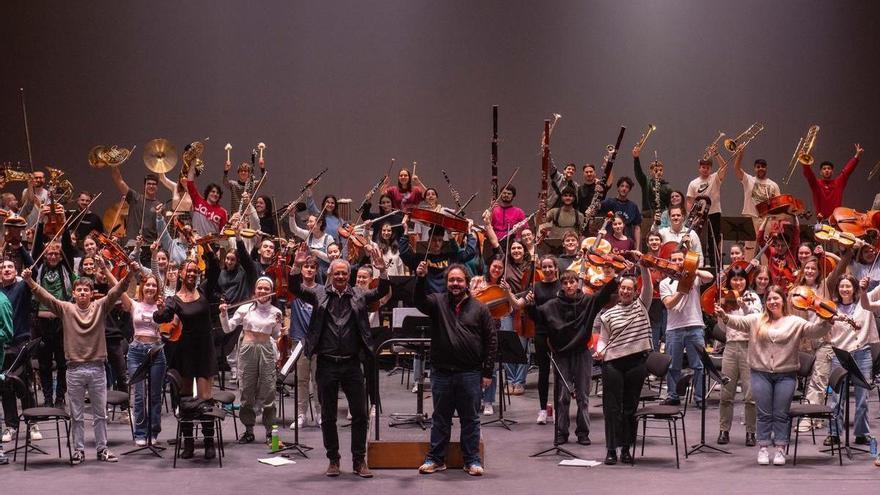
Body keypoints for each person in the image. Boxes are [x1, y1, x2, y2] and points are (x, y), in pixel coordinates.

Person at [22, 260, 137, 464]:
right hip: (74, 369)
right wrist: (30, 281)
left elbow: (117, 291)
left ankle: (102, 450)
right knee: (76, 415)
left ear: (92, 293)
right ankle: (78, 451)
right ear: (73, 293)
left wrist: (128, 275)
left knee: (100, 414)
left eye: (86, 290)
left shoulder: (101, 306)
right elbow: (46, 298)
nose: (83, 293)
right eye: (79, 290)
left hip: (97, 367)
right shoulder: (66, 309)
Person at [290, 246, 390, 479]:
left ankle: (358, 460)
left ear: (350, 275)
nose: (341, 277)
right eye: (337, 273)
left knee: (360, 414)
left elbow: (382, 291)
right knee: (328, 415)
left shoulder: (360, 295)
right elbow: (295, 287)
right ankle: (333, 460)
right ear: (330, 275)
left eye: (345, 273)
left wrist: (382, 269)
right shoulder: (319, 294)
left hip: (352, 363)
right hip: (326, 363)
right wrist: (296, 265)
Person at [715, 286, 835, 466]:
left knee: (781, 413)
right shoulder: (757, 319)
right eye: (769, 299)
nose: (772, 302)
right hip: (760, 373)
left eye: (776, 298)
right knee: (763, 413)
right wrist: (724, 315)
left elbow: (815, 331)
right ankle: (763, 447)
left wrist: (826, 319)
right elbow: (737, 322)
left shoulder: (794, 321)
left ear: (783, 300)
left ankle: (780, 448)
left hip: (786, 375)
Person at [415, 262, 496, 477]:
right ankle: (435, 459)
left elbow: (491, 340)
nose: (455, 284)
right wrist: (421, 279)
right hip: (442, 373)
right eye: (451, 280)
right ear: (446, 282)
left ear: (467, 282)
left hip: (470, 373)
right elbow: (419, 301)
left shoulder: (480, 307)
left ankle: (472, 460)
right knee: (440, 418)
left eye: (459, 280)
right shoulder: (436, 302)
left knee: (470, 419)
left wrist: (488, 372)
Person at [530, 269, 617, 447]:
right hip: (561, 355)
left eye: (572, 282)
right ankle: (561, 432)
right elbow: (538, 316)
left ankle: (583, 433)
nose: (569, 286)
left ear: (577, 283)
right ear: (561, 285)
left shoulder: (587, 301)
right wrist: (528, 305)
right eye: (565, 283)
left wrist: (616, 278)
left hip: (582, 354)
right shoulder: (552, 304)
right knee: (562, 396)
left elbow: (603, 294)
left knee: (583, 396)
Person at [153, 255, 221, 460]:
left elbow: (215, 269)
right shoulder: (173, 300)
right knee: (185, 400)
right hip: (184, 352)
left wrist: (208, 248)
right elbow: (161, 318)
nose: (192, 273)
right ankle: (188, 443)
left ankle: (209, 442)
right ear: (181, 274)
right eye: (188, 270)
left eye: (195, 271)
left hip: (204, 350)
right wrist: (160, 309)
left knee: (205, 399)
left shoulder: (203, 292)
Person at [595, 255, 653, 465]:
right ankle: (611, 449)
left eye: (630, 288)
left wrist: (644, 268)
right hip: (612, 364)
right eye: (623, 288)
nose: (626, 291)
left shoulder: (641, 306)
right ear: (619, 290)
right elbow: (603, 340)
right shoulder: (608, 315)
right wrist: (600, 350)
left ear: (635, 291)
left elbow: (649, 289)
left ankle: (626, 448)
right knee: (611, 408)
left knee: (630, 407)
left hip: (636, 363)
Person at [220, 277, 283, 445]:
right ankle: (248, 430)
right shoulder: (244, 308)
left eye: (265, 288)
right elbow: (228, 328)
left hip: (267, 350)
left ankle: (272, 434)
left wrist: (281, 327)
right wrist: (224, 313)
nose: (262, 291)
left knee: (269, 392)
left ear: (271, 291)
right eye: (259, 288)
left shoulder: (276, 311)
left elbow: (276, 336)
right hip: (247, 349)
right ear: (255, 290)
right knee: (247, 391)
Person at [823, 275, 879, 446]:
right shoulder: (831, 307)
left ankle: (862, 432)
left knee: (863, 397)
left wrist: (865, 286)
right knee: (837, 397)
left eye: (848, 286)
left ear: (855, 288)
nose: (845, 289)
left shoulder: (865, 299)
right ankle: (834, 433)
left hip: (862, 353)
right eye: (842, 286)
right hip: (840, 355)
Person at [660, 250, 714, 406]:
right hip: (674, 329)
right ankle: (673, 396)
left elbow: (710, 277)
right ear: (670, 262)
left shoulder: (694, 278)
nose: (677, 262)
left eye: (680, 259)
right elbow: (669, 304)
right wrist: (682, 290)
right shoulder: (665, 283)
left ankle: (699, 398)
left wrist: (693, 271)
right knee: (673, 365)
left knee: (698, 365)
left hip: (695, 325)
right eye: (674, 259)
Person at [716, 267, 762, 447]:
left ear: (746, 280)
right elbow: (721, 327)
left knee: (750, 394)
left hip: (749, 346)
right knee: (726, 392)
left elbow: (758, 320)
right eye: (734, 279)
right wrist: (720, 313)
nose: (738, 282)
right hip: (730, 347)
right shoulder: (726, 297)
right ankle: (723, 430)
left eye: (741, 279)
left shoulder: (753, 297)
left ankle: (751, 432)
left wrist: (744, 306)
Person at [119, 272, 166, 446]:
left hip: (156, 350)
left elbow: (167, 322)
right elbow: (117, 287)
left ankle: (153, 431)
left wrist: (162, 310)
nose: (150, 288)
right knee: (139, 395)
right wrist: (105, 268)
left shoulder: (162, 306)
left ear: (158, 289)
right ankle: (139, 432)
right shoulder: (134, 305)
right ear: (141, 287)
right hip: (136, 351)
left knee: (155, 395)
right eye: (147, 284)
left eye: (154, 285)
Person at [0, 259, 39, 444]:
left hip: (21, 343)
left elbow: (35, 269)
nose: (6, 269)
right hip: (2, 345)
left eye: (9, 267)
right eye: (2, 267)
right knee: (6, 386)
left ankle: (32, 423)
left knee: (26, 385)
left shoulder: (22, 286)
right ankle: (11, 425)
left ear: (15, 271)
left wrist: (20, 247)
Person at [686, 148, 728, 269]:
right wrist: (691, 217)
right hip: (699, 217)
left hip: (714, 214)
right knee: (699, 242)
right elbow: (689, 200)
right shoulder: (693, 183)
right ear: (699, 168)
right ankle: (699, 267)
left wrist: (716, 154)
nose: (705, 169)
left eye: (708, 167)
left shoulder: (715, 178)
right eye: (703, 167)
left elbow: (724, 166)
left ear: (711, 168)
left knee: (714, 242)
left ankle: (716, 269)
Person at [530, 255, 560, 424]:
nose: (547, 270)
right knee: (543, 372)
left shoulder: (561, 285)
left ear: (555, 267)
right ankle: (542, 409)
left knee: (558, 373)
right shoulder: (536, 287)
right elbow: (534, 315)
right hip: (541, 333)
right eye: (544, 267)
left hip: (559, 334)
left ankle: (556, 408)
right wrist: (529, 306)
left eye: (550, 266)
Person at [733, 156, 780, 257]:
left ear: (766, 168)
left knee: (766, 248)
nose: (760, 168)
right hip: (751, 217)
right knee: (749, 248)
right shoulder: (748, 180)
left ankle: (766, 271)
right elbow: (736, 168)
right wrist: (740, 155)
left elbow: (778, 206)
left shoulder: (773, 185)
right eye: (758, 167)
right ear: (754, 169)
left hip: (767, 219)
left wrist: (776, 224)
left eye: (763, 166)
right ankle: (748, 271)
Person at [801, 144, 862, 219]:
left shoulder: (838, 183)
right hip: (821, 221)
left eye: (829, 168)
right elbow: (809, 175)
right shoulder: (816, 184)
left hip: (836, 220)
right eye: (824, 169)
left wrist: (856, 156)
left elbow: (847, 171)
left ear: (832, 172)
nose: (827, 170)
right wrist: (804, 162)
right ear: (820, 172)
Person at [108, 169, 161, 256]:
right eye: (149, 184)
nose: (151, 186)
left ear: (157, 187)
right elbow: (119, 180)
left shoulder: (159, 205)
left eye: (154, 184)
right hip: (133, 243)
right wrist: (113, 165)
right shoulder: (135, 198)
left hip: (150, 246)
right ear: (145, 186)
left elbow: (161, 229)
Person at [632, 146, 671, 229]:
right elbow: (638, 173)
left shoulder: (667, 187)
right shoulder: (646, 182)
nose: (659, 172)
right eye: (656, 170)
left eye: (661, 170)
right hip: (647, 216)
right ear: (651, 171)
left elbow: (669, 206)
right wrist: (636, 158)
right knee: (645, 239)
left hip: (662, 217)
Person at [599, 177, 642, 243]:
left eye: (627, 187)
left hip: (627, 243)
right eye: (622, 186)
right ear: (618, 188)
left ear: (629, 190)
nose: (624, 189)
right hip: (609, 241)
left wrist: (637, 248)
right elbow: (596, 210)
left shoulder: (633, 206)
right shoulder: (608, 202)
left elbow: (637, 228)